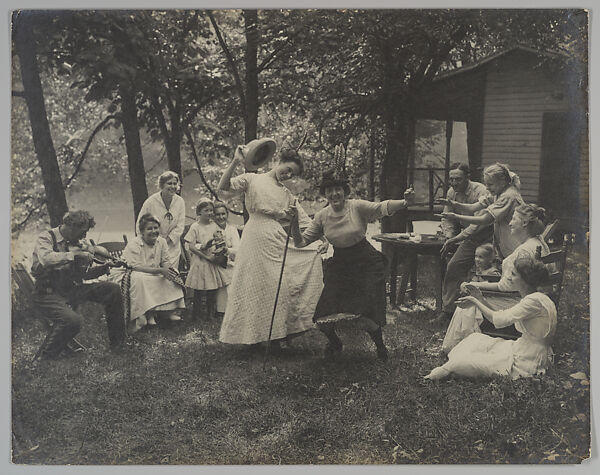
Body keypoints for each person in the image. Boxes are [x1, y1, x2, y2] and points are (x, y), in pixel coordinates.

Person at [290, 168, 415, 361]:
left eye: (338, 189)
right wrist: (293, 224)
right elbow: (300, 242)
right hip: (340, 265)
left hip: (365, 262)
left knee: (365, 315)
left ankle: (380, 347)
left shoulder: (356, 206)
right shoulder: (322, 216)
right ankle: (335, 342)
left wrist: (405, 202)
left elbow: (382, 207)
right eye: (329, 190)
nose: (334, 194)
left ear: (345, 190)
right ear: (325, 194)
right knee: (322, 317)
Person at [217, 148, 325, 349]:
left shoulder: (286, 194)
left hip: (275, 239)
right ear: (278, 160)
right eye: (287, 169)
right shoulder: (252, 179)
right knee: (252, 284)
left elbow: (305, 223)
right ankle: (250, 339)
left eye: (292, 174)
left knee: (278, 286)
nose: (288, 175)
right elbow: (223, 188)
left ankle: (276, 336)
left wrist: (322, 238)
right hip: (254, 236)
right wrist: (234, 162)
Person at [425, 254, 556, 380]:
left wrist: (474, 301)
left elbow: (497, 320)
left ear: (525, 280)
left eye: (514, 274)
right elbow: (501, 315)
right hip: (524, 348)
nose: (509, 277)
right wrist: (480, 299)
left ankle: (448, 369)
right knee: (474, 339)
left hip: (527, 359)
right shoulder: (538, 297)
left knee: (464, 361)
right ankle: (454, 365)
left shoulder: (532, 302)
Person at [441, 203, 550, 353]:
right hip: (537, 300)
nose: (510, 223)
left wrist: (474, 285)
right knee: (474, 294)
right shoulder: (540, 243)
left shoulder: (524, 251)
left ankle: (460, 348)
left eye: (514, 219)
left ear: (524, 223)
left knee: (469, 301)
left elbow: (505, 287)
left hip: (518, 301)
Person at [30, 210, 127, 359]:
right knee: (72, 320)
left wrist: (105, 266)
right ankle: (46, 358)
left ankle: (119, 345)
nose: (84, 237)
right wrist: (74, 255)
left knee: (112, 289)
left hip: (71, 289)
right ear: (70, 226)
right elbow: (46, 259)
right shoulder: (46, 237)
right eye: (82, 233)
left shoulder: (78, 244)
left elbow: (83, 275)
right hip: (47, 293)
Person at [434, 162, 524, 322]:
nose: (487, 187)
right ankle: (458, 312)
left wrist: (457, 217)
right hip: (499, 241)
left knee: (510, 279)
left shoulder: (508, 196)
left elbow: (483, 219)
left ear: (502, 181)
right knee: (457, 266)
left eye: (490, 184)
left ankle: (507, 318)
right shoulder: (498, 191)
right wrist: (454, 205)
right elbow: (474, 207)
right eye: (486, 184)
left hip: (511, 243)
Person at [109, 213, 185, 332]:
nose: (153, 231)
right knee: (140, 279)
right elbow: (135, 266)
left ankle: (167, 311)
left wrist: (166, 269)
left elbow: (165, 260)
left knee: (173, 273)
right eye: (149, 229)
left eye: (156, 228)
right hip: (130, 272)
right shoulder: (135, 243)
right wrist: (160, 270)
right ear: (142, 232)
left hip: (152, 271)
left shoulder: (162, 242)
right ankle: (143, 314)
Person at [184, 199, 229, 320]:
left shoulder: (214, 225)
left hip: (212, 259)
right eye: (206, 210)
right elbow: (191, 246)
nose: (209, 213)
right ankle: (197, 315)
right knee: (199, 289)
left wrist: (216, 252)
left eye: (211, 210)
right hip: (200, 261)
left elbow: (220, 241)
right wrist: (204, 249)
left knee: (212, 288)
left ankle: (210, 314)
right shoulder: (195, 226)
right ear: (199, 212)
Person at [137, 171, 185, 269]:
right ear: (162, 185)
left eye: (175, 183)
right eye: (169, 183)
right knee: (154, 273)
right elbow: (140, 224)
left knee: (170, 274)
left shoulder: (180, 201)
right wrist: (147, 242)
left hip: (172, 247)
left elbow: (180, 226)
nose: (173, 186)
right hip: (152, 245)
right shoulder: (150, 202)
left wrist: (165, 242)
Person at [212, 201, 241, 318]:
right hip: (214, 262)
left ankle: (230, 309)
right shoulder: (211, 229)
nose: (221, 217)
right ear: (213, 216)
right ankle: (221, 309)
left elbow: (238, 249)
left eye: (223, 214)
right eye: (217, 214)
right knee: (223, 276)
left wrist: (227, 250)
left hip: (230, 261)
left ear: (227, 214)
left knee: (232, 274)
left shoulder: (232, 229)